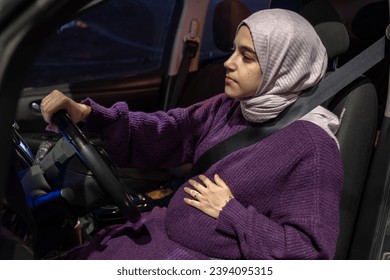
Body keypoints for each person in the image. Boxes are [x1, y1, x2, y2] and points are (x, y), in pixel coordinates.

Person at [40, 8, 343, 259]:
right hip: (159, 237)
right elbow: (169, 130)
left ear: (284, 68)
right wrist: (91, 116)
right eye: (232, 50)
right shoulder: (231, 106)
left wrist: (230, 212)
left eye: (246, 57)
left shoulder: (313, 147)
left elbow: (309, 255)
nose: (229, 62)